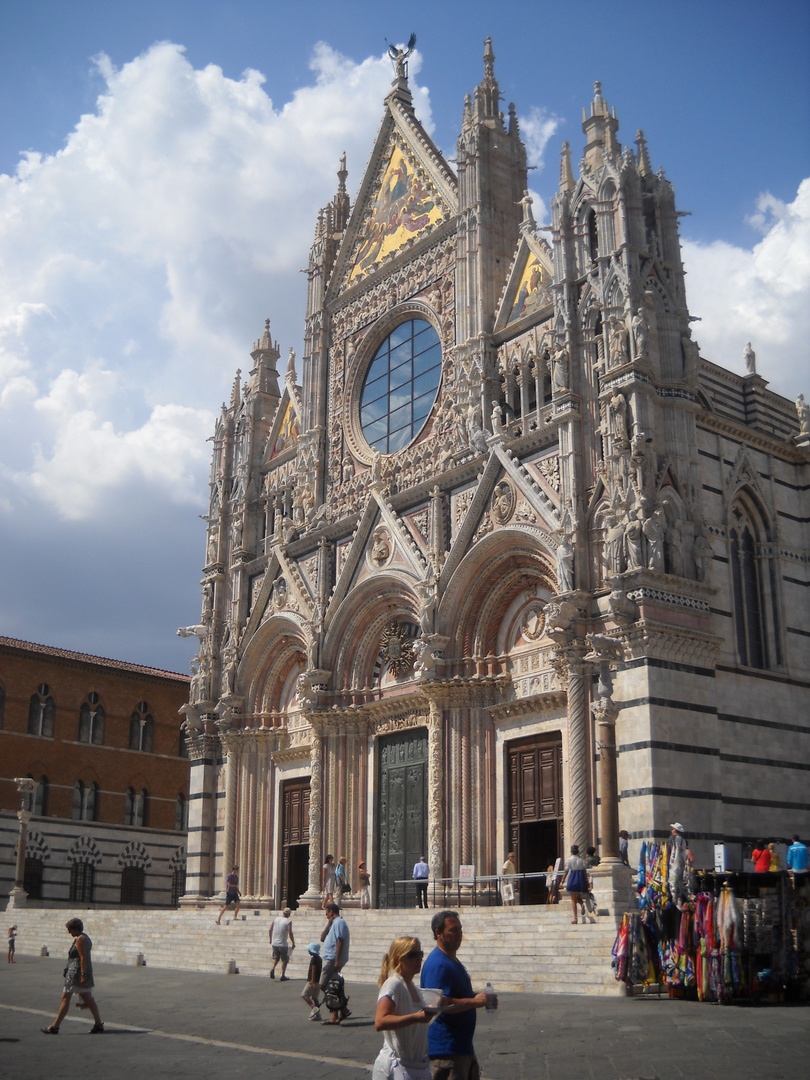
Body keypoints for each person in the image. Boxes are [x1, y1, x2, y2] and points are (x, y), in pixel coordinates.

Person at [420, 910, 495, 1080]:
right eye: (453, 930)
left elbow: (457, 994)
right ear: (438, 933)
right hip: (446, 1051)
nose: (459, 935)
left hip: (461, 1048)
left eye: (460, 930)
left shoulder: (450, 959)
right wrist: (473, 1002)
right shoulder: (438, 964)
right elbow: (439, 1003)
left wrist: (481, 998)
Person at [372, 936, 438, 1080]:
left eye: (420, 954)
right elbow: (380, 1021)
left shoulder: (412, 987)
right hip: (397, 1066)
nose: (418, 959)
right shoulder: (393, 984)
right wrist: (416, 1018)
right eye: (412, 955)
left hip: (416, 1066)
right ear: (397, 960)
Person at [41, 918, 104, 1034]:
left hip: (75, 974)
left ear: (76, 929)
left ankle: (55, 1027)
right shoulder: (85, 937)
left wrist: (83, 975)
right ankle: (98, 1024)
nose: (69, 933)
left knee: (66, 998)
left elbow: (83, 958)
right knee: (87, 998)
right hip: (79, 972)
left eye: (70, 930)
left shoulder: (80, 940)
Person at [320, 901, 351, 1025]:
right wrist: (328, 923)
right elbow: (322, 938)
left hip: (332, 959)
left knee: (324, 985)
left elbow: (340, 941)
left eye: (326, 913)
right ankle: (341, 1011)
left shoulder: (339, 923)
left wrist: (337, 960)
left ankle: (340, 1009)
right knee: (333, 986)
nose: (326, 915)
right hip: (330, 957)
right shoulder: (334, 923)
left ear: (331, 912)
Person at [562, 845, 588, 924]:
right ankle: (582, 904)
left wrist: (562, 881)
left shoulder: (569, 860)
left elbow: (566, 871)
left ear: (571, 852)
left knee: (573, 900)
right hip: (580, 879)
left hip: (573, 877)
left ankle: (575, 918)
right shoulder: (581, 860)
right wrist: (587, 881)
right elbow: (584, 871)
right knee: (578, 896)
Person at [269, 907, 295, 980]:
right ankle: (282, 975)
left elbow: (270, 929)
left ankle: (273, 968)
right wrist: (293, 942)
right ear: (289, 914)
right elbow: (290, 932)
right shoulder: (288, 921)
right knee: (284, 960)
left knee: (275, 957)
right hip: (283, 944)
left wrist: (270, 939)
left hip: (274, 943)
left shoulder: (276, 919)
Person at [301, 941, 323, 1022]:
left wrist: (312, 982)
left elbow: (313, 971)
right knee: (315, 997)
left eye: (309, 950)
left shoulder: (314, 959)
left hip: (312, 981)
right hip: (317, 981)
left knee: (304, 995)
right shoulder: (319, 959)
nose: (308, 951)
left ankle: (314, 1008)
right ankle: (318, 1015)